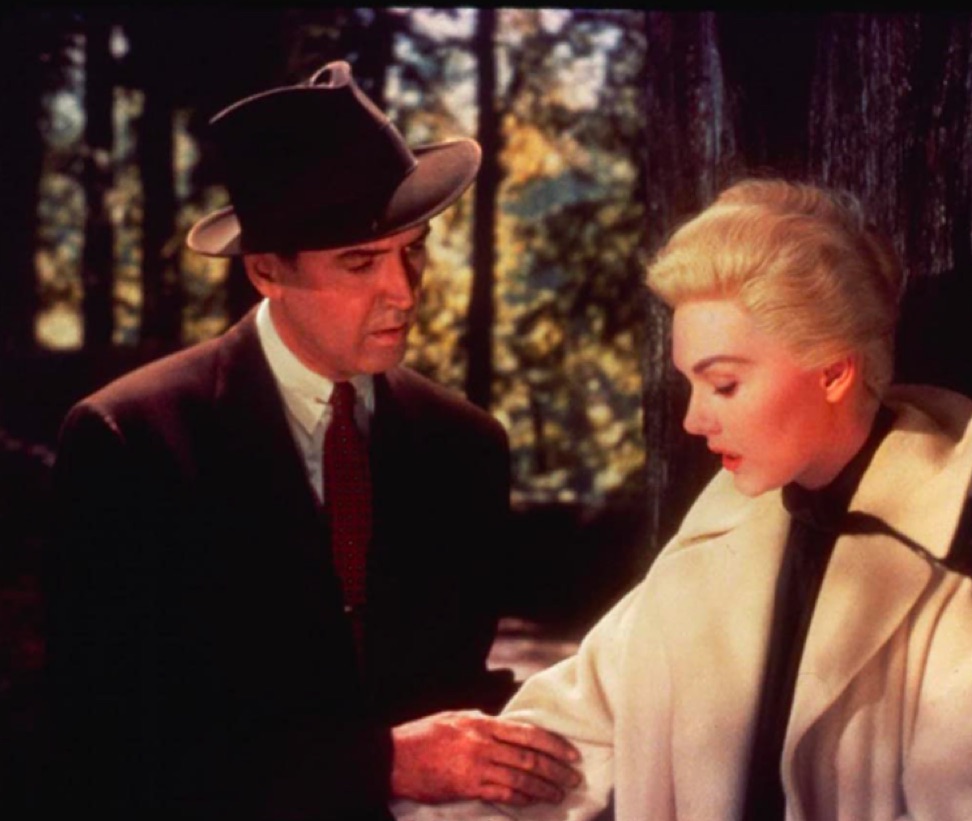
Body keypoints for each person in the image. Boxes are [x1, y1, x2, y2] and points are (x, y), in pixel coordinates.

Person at [394, 179, 972, 820]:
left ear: (834, 371)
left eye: (724, 384)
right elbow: (550, 749)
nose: (694, 419)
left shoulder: (961, 583)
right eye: (690, 384)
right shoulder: (715, 543)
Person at [41, 61, 580, 821]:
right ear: (266, 271)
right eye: (361, 263)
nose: (405, 291)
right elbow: (104, 744)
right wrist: (380, 763)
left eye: (414, 248)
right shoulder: (132, 442)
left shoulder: (466, 447)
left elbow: (451, 692)